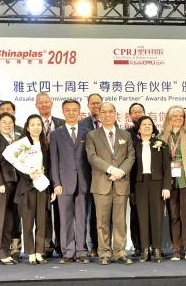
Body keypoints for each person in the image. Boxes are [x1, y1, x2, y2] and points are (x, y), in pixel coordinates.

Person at [86, 102, 135, 265]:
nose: (107, 115)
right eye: (104, 112)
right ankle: (104, 252)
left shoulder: (125, 135)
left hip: (121, 182)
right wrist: (110, 169)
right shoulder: (92, 135)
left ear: (115, 114)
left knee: (120, 220)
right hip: (101, 183)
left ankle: (120, 251)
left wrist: (120, 171)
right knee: (102, 221)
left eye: (110, 111)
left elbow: (131, 156)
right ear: (99, 115)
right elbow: (92, 157)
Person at [3, 115, 52, 265]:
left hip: (42, 187)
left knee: (42, 222)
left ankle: (39, 252)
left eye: (39, 124)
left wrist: (49, 184)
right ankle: (30, 253)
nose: (36, 127)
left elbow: (50, 167)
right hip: (27, 188)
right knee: (28, 223)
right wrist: (29, 175)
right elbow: (18, 167)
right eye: (33, 125)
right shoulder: (22, 145)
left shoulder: (45, 145)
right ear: (28, 128)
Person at [158, 105, 186, 262]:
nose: (178, 119)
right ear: (169, 118)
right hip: (169, 182)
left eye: (181, 116)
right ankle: (176, 248)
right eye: (175, 116)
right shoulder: (162, 137)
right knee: (174, 217)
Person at [50, 99, 92, 264]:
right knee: (65, 219)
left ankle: (81, 251)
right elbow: (54, 161)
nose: (71, 113)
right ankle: (67, 252)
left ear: (79, 112)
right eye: (68, 110)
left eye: (74, 110)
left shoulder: (87, 132)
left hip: (83, 181)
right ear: (63, 112)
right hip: (64, 182)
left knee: (82, 219)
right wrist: (56, 183)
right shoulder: (56, 134)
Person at [130, 116, 171, 263]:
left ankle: (157, 249)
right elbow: (131, 169)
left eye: (150, 124)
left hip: (157, 183)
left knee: (157, 217)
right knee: (142, 217)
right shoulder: (133, 145)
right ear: (138, 128)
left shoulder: (160, 144)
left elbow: (166, 167)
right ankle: (145, 250)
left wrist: (166, 186)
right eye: (144, 124)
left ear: (153, 128)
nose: (147, 126)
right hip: (139, 184)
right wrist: (131, 191)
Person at [0, 100, 24, 260]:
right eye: (4, 122)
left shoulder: (15, 141)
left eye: (10, 122)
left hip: (14, 183)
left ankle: (7, 251)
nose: (8, 125)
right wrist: (0, 182)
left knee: (9, 220)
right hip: (0, 185)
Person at [36, 91, 65, 258]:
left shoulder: (61, 123)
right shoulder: (32, 123)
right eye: (40, 103)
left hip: (60, 173)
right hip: (41, 173)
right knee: (44, 211)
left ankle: (62, 244)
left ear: (51, 104)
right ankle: (47, 246)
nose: (44, 105)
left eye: (46, 102)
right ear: (36, 106)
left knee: (61, 211)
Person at [79, 94, 103, 257]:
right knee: (87, 212)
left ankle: (101, 245)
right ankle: (88, 246)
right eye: (92, 103)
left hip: (104, 174)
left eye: (98, 103)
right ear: (88, 106)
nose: (96, 106)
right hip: (86, 173)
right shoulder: (82, 124)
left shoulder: (111, 123)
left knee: (101, 213)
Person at [125, 102, 145, 256]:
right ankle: (138, 246)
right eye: (134, 112)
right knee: (136, 215)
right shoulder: (126, 134)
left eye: (140, 112)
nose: (137, 115)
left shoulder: (154, 132)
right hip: (133, 181)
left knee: (151, 215)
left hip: (152, 181)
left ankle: (152, 246)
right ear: (130, 116)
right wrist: (130, 188)